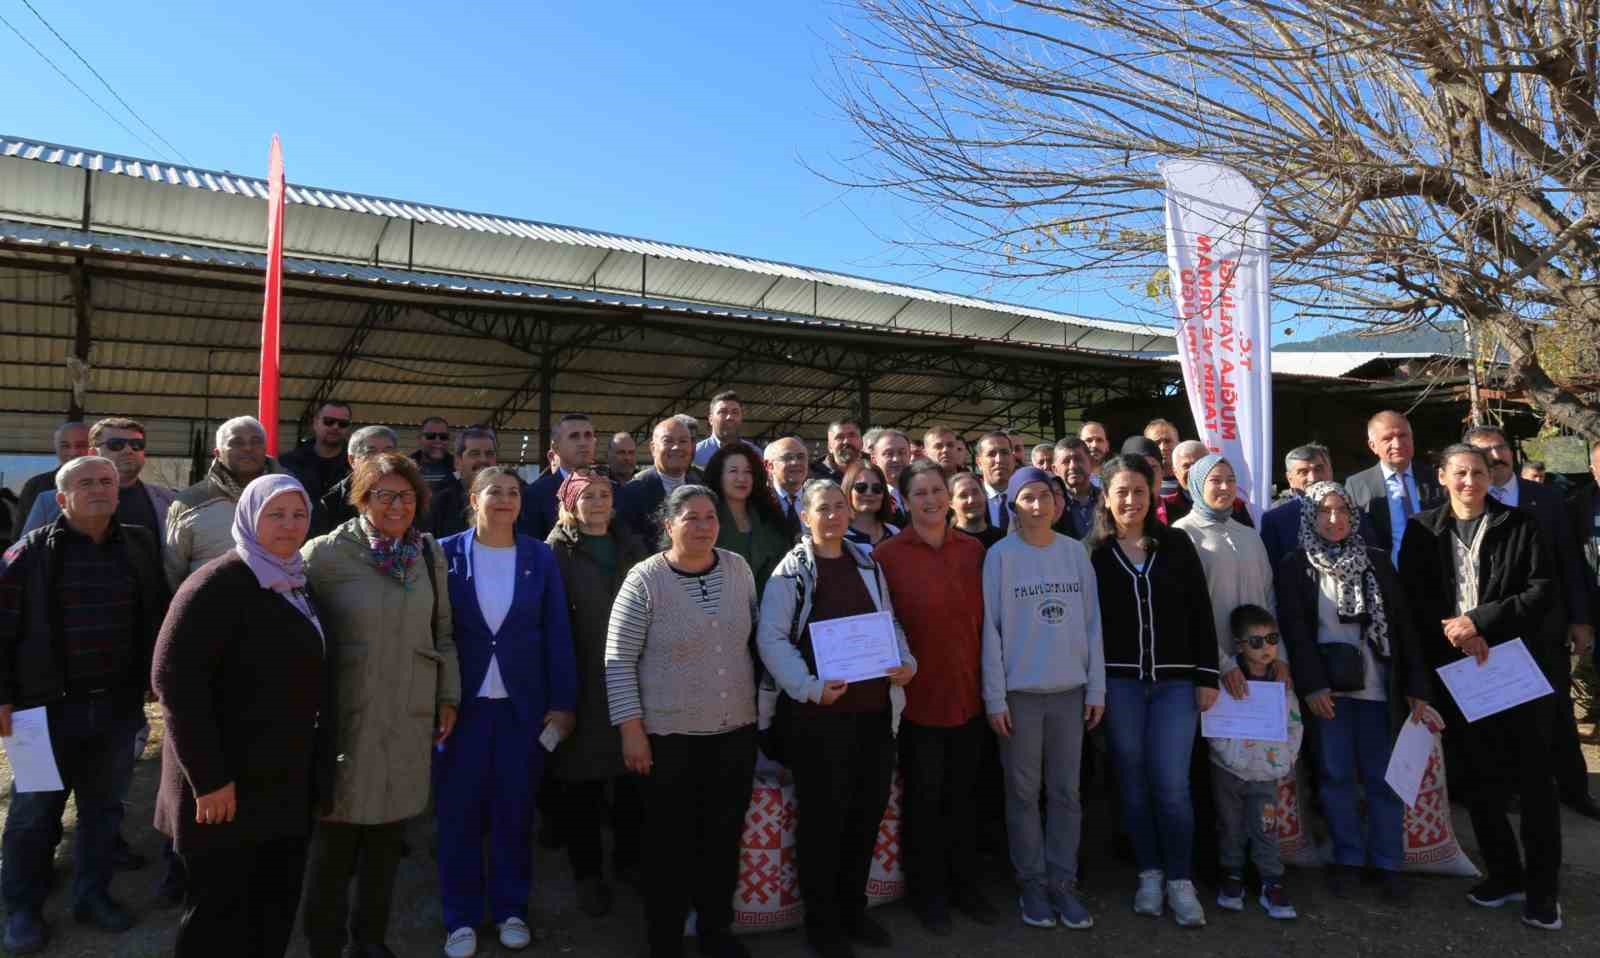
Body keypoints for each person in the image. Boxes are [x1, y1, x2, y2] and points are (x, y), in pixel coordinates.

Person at [151, 474, 335, 957]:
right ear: (250, 517)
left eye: (298, 515)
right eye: (275, 514)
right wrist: (208, 779)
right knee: (217, 918)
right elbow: (175, 682)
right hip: (226, 788)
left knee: (271, 910)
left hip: (282, 782)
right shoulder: (217, 582)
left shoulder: (296, 580)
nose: (289, 525)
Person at [0, 456, 169, 953]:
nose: (98, 489)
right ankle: (21, 908)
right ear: (61, 496)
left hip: (116, 710)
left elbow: (155, 613)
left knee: (103, 810)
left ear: (118, 491)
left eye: (106, 482)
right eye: (84, 483)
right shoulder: (27, 555)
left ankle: (91, 896)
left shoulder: (138, 544)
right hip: (38, 713)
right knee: (33, 813)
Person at [299, 452, 461, 958]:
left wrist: (448, 694)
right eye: (385, 495)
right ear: (362, 497)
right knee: (335, 846)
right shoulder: (323, 556)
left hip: (407, 718)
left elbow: (444, 634)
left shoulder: (426, 555)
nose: (397, 506)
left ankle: (370, 940)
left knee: (387, 846)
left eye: (407, 496)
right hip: (349, 720)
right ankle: (324, 943)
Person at [1399, 444, 1563, 930]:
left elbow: (1540, 591)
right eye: (1460, 473)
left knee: (1534, 782)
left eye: (1478, 472)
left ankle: (1543, 891)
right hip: (1457, 674)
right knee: (1480, 782)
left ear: (1491, 477)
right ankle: (1504, 875)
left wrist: (1480, 623)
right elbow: (1413, 601)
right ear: (1443, 477)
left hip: (1515, 668)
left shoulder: (1521, 526)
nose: (1470, 481)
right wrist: (1456, 636)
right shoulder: (1422, 530)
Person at [758, 479, 917, 957]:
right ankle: (823, 924)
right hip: (819, 720)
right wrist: (809, 687)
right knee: (824, 823)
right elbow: (771, 640)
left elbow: (888, 622)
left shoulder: (867, 562)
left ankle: (853, 910)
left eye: (838, 507)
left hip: (873, 715)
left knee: (866, 816)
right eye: (821, 508)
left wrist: (906, 664)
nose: (831, 515)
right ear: (804, 517)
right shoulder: (792, 572)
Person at [604, 485, 759, 958]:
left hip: (734, 731)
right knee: (669, 848)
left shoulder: (738, 569)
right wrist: (632, 730)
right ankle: (665, 939)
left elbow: (752, 640)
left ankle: (716, 932)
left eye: (710, 517)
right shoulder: (645, 579)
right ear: (668, 525)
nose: (703, 526)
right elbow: (618, 660)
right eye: (690, 518)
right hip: (668, 738)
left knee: (723, 840)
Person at [436, 465, 577, 958]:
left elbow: (557, 633)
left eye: (514, 492)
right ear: (474, 499)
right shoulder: (446, 553)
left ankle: (511, 908)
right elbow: (435, 631)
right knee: (458, 815)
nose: (505, 499)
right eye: (494, 491)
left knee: (514, 812)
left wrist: (563, 705)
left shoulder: (539, 555)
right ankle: (460, 917)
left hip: (523, 710)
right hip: (461, 709)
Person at [1277, 480, 1431, 902]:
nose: (1333, 519)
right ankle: (1347, 857)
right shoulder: (1296, 566)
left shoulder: (1378, 562)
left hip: (1379, 690)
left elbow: (1404, 630)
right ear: (1310, 516)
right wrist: (1311, 685)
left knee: (1385, 780)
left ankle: (1387, 862)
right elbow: (1295, 632)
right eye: (1323, 511)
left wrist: (1417, 688)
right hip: (1329, 694)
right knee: (1336, 777)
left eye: (1341, 510)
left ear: (1353, 514)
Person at [1088, 454, 1218, 928]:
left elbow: (1201, 612)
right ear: (1106, 497)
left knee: (1172, 785)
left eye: (1138, 491)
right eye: (1120, 491)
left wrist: (1207, 675)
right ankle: (1149, 873)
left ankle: (1181, 881)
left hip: (1175, 686)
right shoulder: (1094, 553)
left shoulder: (1177, 544)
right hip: (1119, 685)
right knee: (1133, 785)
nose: (1130, 500)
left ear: (1152, 495)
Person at [874, 460, 997, 935]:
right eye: (919, 492)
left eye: (936, 490)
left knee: (964, 800)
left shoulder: (974, 551)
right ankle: (928, 894)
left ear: (950, 497)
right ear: (904, 501)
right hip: (917, 703)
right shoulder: (886, 556)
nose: (930, 499)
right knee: (924, 803)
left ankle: (964, 885)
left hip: (969, 695)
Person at [980, 466, 1104, 930]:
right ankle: (1031, 883)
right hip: (1021, 696)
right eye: (1028, 497)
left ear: (1058, 503)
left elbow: (1092, 625)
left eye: (1046, 496)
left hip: (1070, 693)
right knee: (1023, 793)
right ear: (1014, 505)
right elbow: (990, 631)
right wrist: (995, 698)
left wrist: (1097, 687)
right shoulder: (1000, 557)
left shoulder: (1075, 554)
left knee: (1067, 793)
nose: (1038, 505)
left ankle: (1063, 883)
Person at [1464, 425, 1599, 818]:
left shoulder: (1548, 499)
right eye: (1485, 452)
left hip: (1545, 626)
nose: (1496, 457)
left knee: (1557, 711)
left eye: (1502, 447)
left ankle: (1575, 790)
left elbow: (1570, 562)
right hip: (1492, 628)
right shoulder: (1469, 502)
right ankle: (1511, 791)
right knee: (1501, 714)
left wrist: (1580, 619)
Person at [546, 471, 651, 917]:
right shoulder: (555, 552)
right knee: (581, 786)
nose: (599, 502)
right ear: (571, 502)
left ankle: (628, 862)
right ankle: (588, 873)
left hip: (632, 677)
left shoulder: (633, 546)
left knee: (632, 781)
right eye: (588, 495)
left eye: (605, 495)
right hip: (581, 678)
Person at [1208, 605, 1303, 921]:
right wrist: (1229, 755)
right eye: (1256, 642)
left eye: (1272, 639)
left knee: (1267, 827)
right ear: (1239, 645)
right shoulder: (1226, 677)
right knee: (1229, 826)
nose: (1266, 648)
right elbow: (1213, 718)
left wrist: (1286, 759)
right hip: (1228, 771)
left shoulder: (1282, 680)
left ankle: (1272, 881)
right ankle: (1231, 876)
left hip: (1266, 773)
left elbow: (1293, 722)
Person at [1173, 454, 1282, 690]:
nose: (1225, 487)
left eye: (1231, 480)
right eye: (1215, 480)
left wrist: (1277, 654)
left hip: (1260, 669)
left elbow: (1270, 597)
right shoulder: (1182, 534)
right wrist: (1222, 664)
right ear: (1197, 485)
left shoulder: (1250, 535)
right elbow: (1185, 611)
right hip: (1209, 671)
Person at [166, 416, 280, 590]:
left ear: (265, 449)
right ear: (217, 453)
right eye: (237, 442)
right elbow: (173, 571)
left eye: (256, 441)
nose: (248, 447)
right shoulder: (189, 502)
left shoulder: (291, 496)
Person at [21, 417, 178, 540]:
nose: (128, 450)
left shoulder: (170, 501)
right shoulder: (48, 502)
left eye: (137, 444)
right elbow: (26, 560)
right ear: (93, 453)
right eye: (116, 444)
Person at [1345, 410, 1443, 567]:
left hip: (1435, 572)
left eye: (1403, 435)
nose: (1397, 444)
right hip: (1385, 577)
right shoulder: (1357, 485)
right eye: (1387, 439)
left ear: (1412, 438)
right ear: (1373, 446)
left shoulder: (1436, 478)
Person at [707, 443, 791, 598]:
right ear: (719, 475)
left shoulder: (769, 516)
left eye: (748, 472)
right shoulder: (706, 519)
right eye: (733, 471)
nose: (741, 478)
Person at [521, 413, 612, 542]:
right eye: (574, 436)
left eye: (588, 435)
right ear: (556, 448)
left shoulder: (612, 490)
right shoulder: (535, 494)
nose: (583, 443)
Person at [621, 417, 702, 546]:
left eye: (683, 441)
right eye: (668, 441)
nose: (676, 447)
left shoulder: (701, 486)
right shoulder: (633, 491)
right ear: (653, 448)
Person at [1260, 444, 1333, 571]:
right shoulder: (1275, 519)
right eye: (1303, 472)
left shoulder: (1352, 511)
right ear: (1290, 479)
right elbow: (1269, 571)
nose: (1313, 478)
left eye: (1319, 469)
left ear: (1330, 471)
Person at [314, 425, 397, 536]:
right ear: (352, 460)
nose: (381, 458)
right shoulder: (332, 501)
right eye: (371, 452)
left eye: (388, 452)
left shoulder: (412, 494)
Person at [426, 426, 500, 540]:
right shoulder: (438, 503)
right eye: (474, 454)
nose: (483, 460)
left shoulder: (511, 501)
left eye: (489, 454)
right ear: (458, 462)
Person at [279, 401, 354, 505]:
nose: (335, 427)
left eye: (343, 424)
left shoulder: (357, 467)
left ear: (349, 428)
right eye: (328, 421)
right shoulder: (288, 464)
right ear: (315, 423)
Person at [15, 421, 88, 521]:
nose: (73, 452)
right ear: (56, 448)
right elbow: (21, 534)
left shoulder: (108, 486)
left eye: (81, 445)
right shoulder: (36, 486)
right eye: (65, 446)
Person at [841, 460, 900, 555]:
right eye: (861, 487)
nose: (869, 493)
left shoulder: (895, 533)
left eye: (876, 488)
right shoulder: (839, 537)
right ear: (848, 490)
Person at [693, 391, 761, 469]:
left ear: (741, 418)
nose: (730, 417)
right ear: (710, 419)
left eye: (735, 412)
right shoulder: (695, 454)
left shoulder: (756, 454)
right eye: (723, 412)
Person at [1051, 439, 1098, 539]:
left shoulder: (1108, 499)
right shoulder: (1051, 506)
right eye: (1066, 461)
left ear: (1090, 463)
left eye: (1079, 459)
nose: (1073, 466)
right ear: (1055, 469)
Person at [1119, 436, 1172, 524]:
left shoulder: (1183, 515)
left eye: (1153, 467)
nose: (1148, 475)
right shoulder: (1110, 522)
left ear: (1162, 471)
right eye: (1140, 468)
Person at [765, 436, 811, 536]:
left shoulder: (815, 500)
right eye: (787, 458)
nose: (796, 462)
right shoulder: (759, 502)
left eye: (801, 457)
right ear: (770, 466)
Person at [975, 432, 1017, 534]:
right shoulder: (971, 501)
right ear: (979, 463)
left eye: (1004, 452)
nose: (999, 460)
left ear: (1013, 459)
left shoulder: (1027, 498)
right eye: (991, 454)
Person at [948, 471, 1003, 549]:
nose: (972, 500)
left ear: (984, 494)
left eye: (975, 492)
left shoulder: (1002, 539)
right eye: (963, 495)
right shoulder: (946, 542)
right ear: (951, 503)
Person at [864, 428, 912, 517]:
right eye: (888, 454)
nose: (896, 459)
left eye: (902, 453)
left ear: (909, 456)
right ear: (874, 460)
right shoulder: (868, 496)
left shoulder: (920, 491)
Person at [412, 417, 456, 492]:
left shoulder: (458, 467)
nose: (437, 440)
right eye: (430, 436)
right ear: (419, 439)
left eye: (443, 437)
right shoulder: (406, 466)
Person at [1143, 419, 1181, 497]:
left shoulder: (1193, 481)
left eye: (1168, 441)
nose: (1163, 447)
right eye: (1156, 443)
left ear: (1178, 444)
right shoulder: (1140, 484)